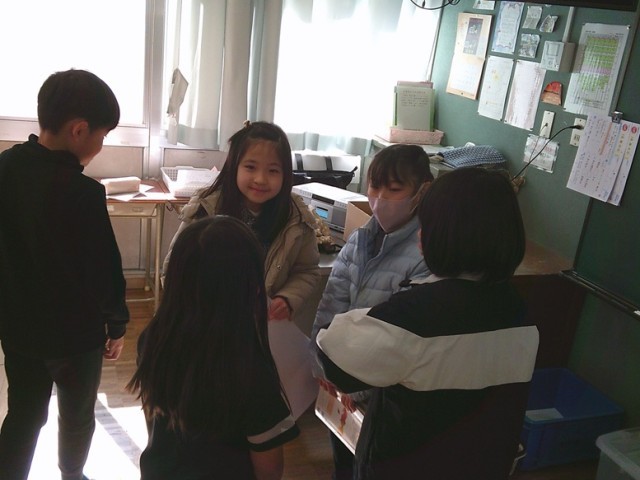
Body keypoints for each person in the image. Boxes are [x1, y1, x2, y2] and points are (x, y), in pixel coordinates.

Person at [316, 167, 540, 479]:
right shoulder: (519, 311)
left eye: (426, 225)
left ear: (441, 237)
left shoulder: (418, 316)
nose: (420, 234)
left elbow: (332, 351)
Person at [0, 69, 129, 480]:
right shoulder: (83, 193)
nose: (101, 145)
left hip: (18, 330)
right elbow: (104, 270)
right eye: (102, 135)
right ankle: (72, 474)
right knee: (76, 416)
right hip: (76, 339)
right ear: (79, 130)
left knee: (23, 413)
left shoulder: (4, 169)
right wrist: (117, 324)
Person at [128, 215, 300, 479]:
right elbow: (269, 469)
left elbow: (156, 422)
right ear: (251, 287)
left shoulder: (152, 339)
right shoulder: (250, 371)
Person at [310, 144, 433, 479]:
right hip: (341, 382)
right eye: (375, 187)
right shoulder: (361, 238)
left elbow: (401, 340)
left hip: (379, 393)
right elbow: (332, 303)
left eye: (394, 190)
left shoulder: (425, 254)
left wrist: (358, 389)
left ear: (421, 192)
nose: (380, 199)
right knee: (341, 456)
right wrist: (322, 366)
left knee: (369, 465)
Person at [164, 121, 319, 324]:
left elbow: (306, 270)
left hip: (261, 325)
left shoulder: (296, 218)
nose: (261, 179)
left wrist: (288, 298)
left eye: (273, 170)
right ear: (234, 166)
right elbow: (175, 266)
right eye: (250, 167)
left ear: (286, 174)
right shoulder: (206, 208)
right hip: (205, 323)